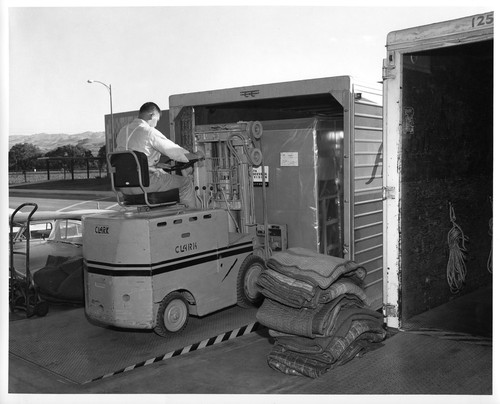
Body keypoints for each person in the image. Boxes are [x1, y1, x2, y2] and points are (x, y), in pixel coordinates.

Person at [115, 102, 196, 208]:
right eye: (157, 120)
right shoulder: (149, 131)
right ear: (151, 115)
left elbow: (131, 161)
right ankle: (193, 218)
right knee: (186, 183)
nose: (156, 123)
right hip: (146, 184)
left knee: (165, 178)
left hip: (124, 186)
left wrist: (155, 166)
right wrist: (196, 155)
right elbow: (175, 152)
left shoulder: (123, 131)